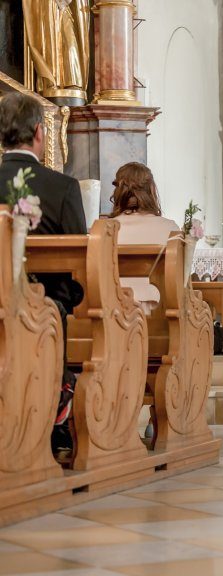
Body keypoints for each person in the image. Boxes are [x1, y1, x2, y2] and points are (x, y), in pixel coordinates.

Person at [0, 92, 87, 444]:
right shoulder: (62, 187)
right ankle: (54, 416)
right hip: (47, 310)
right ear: (40, 132)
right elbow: (81, 262)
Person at [108, 162, 180, 314]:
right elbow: (179, 278)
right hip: (158, 311)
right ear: (152, 190)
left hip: (114, 311)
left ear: (118, 191)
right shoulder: (170, 228)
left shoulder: (105, 230)